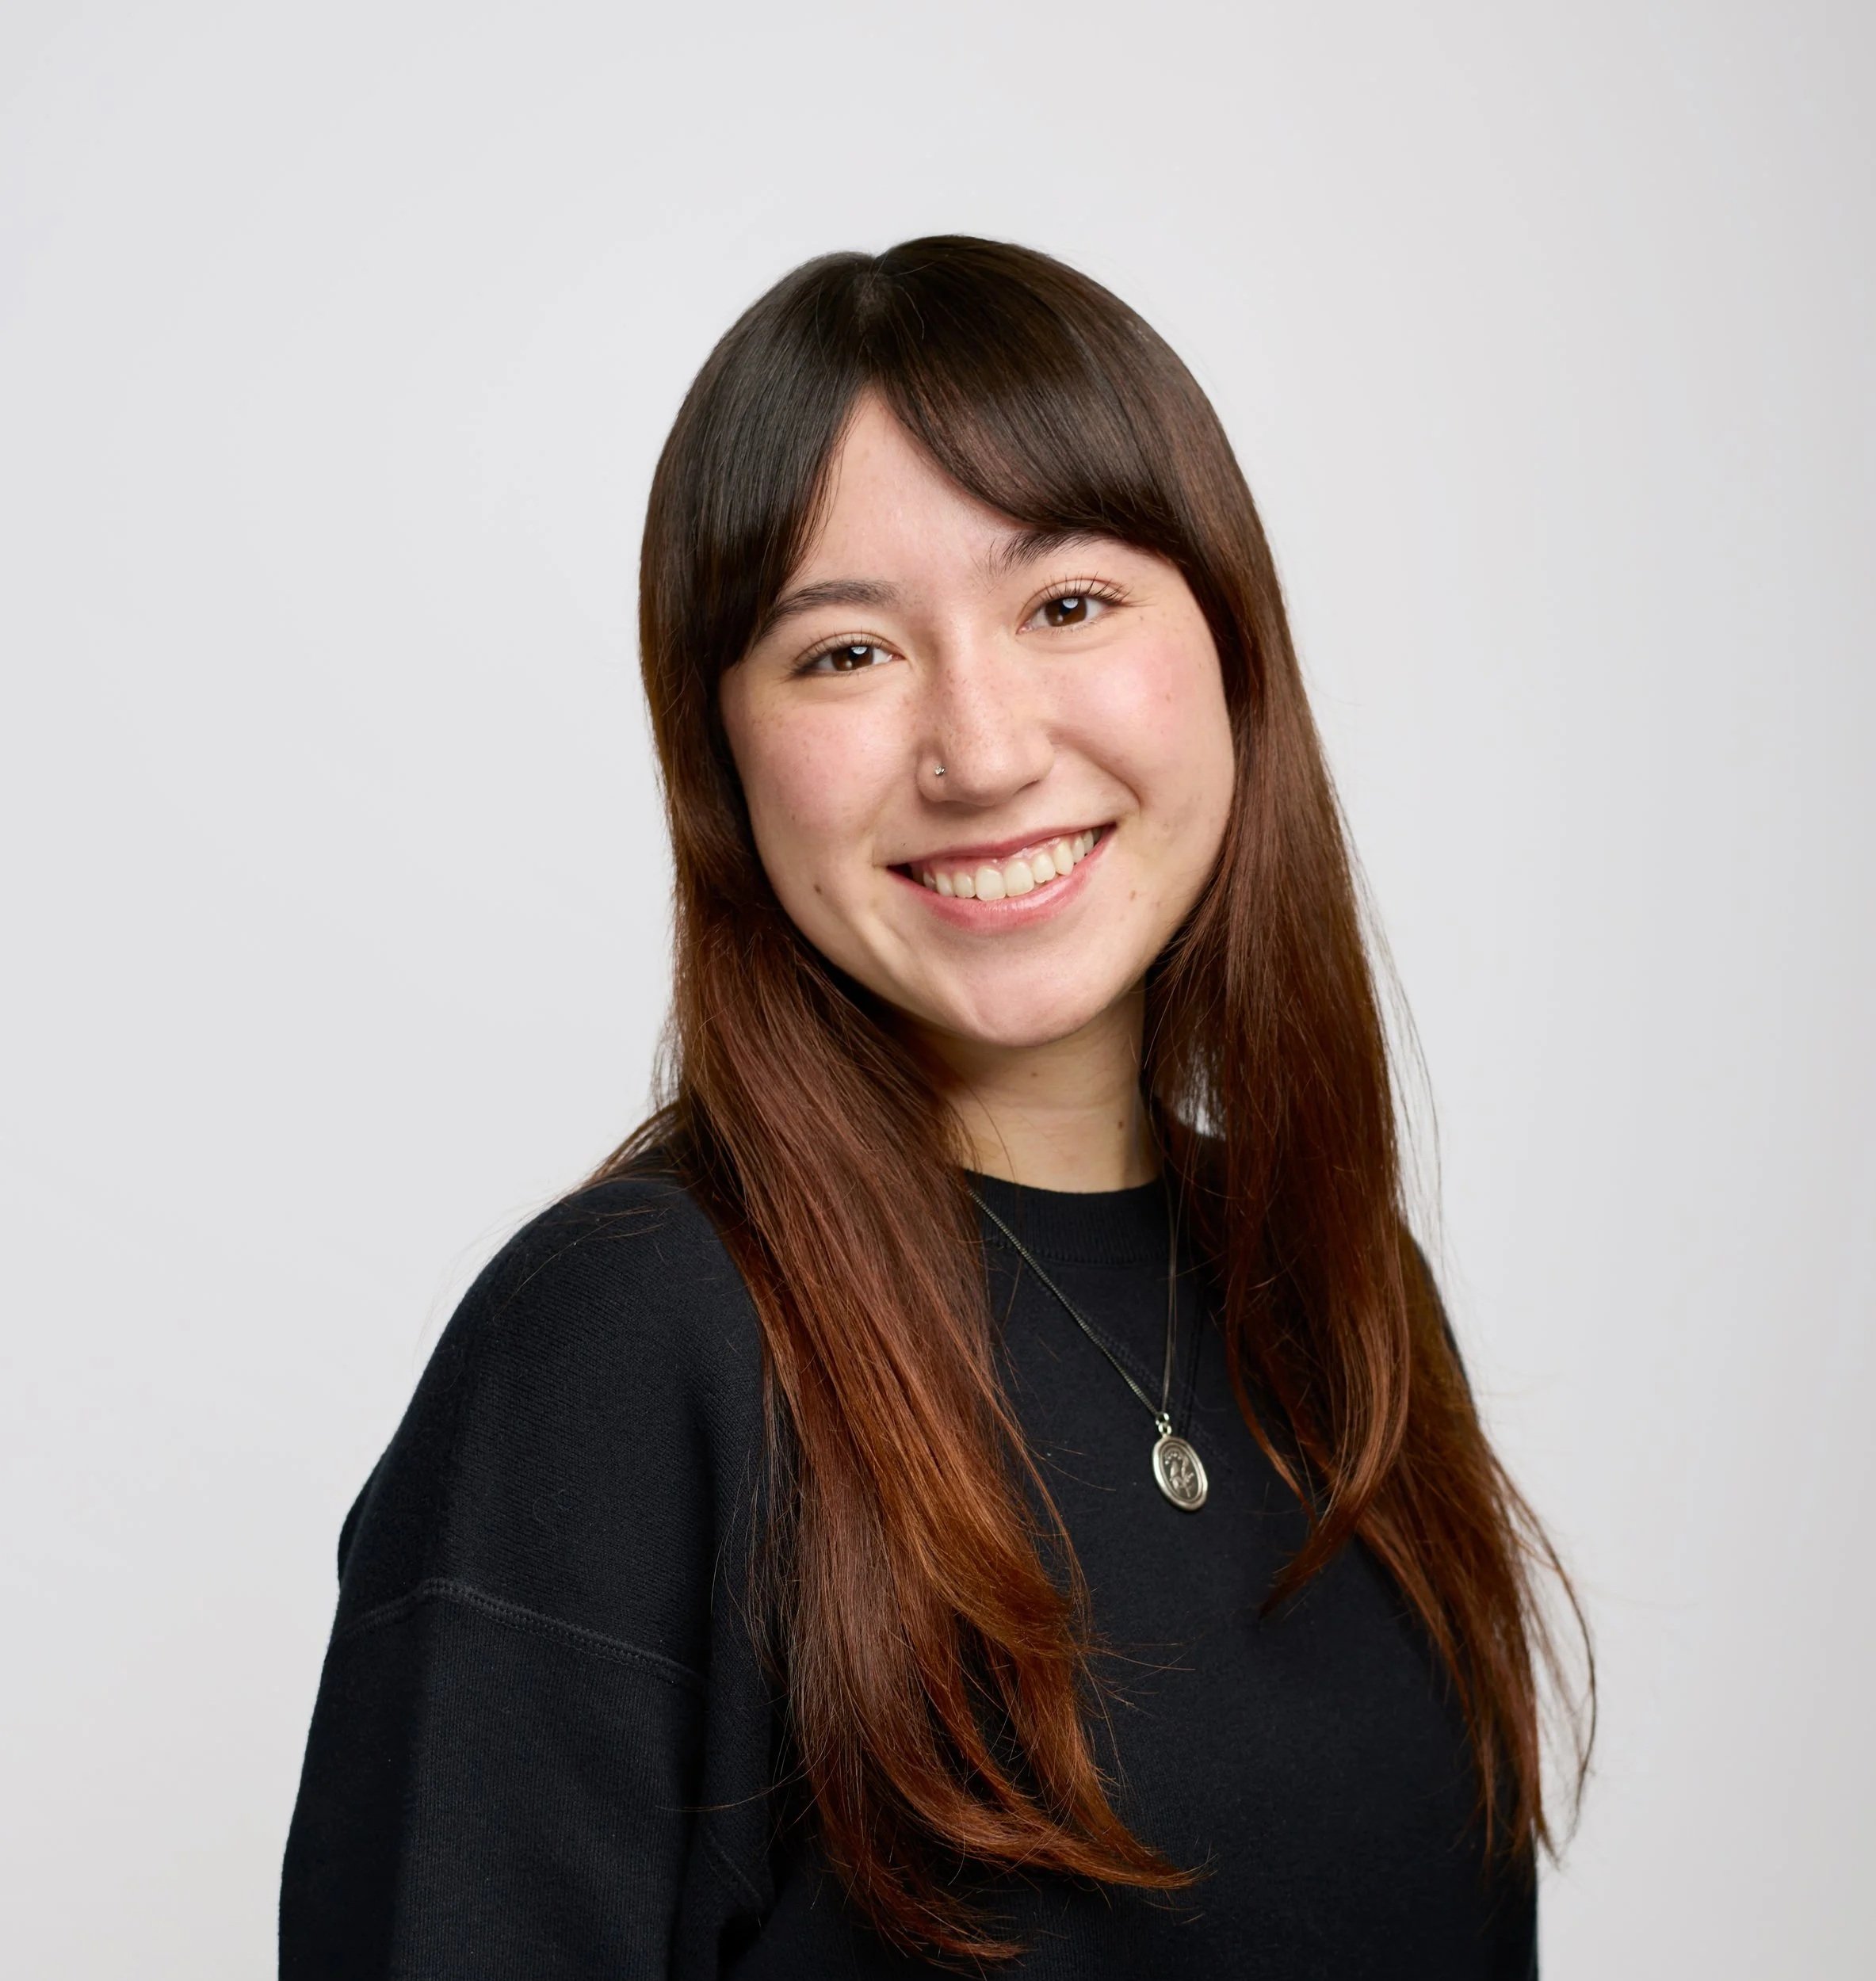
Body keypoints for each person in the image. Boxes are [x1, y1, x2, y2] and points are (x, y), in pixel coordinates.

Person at [279, 236, 1588, 1979]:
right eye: (842, 654)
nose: (978, 750)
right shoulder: (622, 1347)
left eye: (1066, 604)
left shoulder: (1339, 1290)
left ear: (1229, 646)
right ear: (722, 759)